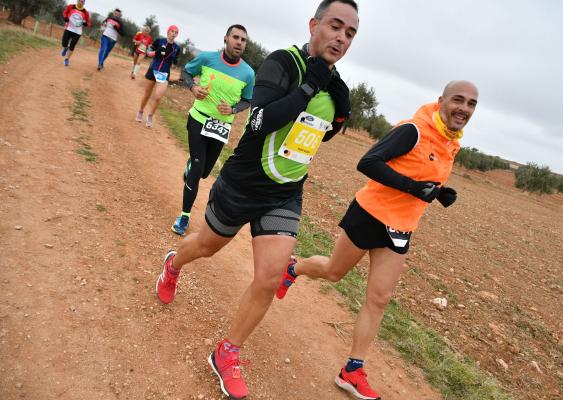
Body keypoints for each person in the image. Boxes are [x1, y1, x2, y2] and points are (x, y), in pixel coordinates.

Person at [155, 1, 358, 399]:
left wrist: (338, 112)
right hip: (243, 182)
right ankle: (173, 264)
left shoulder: (335, 86)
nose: (342, 37)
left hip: (284, 190)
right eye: (335, 26)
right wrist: (306, 88)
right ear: (314, 24)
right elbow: (261, 120)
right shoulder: (284, 63)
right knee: (206, 247)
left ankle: (226, 353)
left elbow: (319, 132)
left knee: (269, 277)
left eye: (350, 33)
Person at [275, 80, 479, 400]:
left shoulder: (451, 142)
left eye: (471, 104)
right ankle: (293, 269)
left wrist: (437, 193)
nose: (464, 109)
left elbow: (418, 173)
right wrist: (414, 188)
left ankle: (352, 370)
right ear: (441, 100)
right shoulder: (413, 129)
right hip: (369, 214)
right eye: (458, 100)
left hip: (401, 228)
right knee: (332, 272)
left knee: (379, 299)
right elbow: (368, 162)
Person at [170, 24, 255, 236]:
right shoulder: (208, 58)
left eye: (243, 40)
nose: (239, 42)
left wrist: (233, 109)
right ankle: (184, 216)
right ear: (226, 39)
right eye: (235, 37)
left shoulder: (248, 73)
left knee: (205, 172)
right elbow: (186, 72)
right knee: (198, 169)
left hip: (220, 126)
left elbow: (248, 99)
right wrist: (193, 87)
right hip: (199, 118)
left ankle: (192, 167)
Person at [135, 26, 181, 128]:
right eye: (172, 31)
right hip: (153, 69)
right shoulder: (159, 41)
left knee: (158, 97)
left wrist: (175, 62)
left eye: (176, 32)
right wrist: (157, 52)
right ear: (168, 32)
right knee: (147, 95)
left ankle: (150, 116)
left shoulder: (177, 48)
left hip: (164, 73)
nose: (174, 33)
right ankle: (141, 111)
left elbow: (175, 61)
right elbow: (148, 53)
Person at [60, 0, 90, 67]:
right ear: (77, 1)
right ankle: (65, 48)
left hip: (77, 32)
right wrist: (65, 17)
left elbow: (88, 23)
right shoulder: (71, 6)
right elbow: (65, 12)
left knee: (72, 46)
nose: (81, 3)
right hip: (69, 28)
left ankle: (67, 59)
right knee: (64, 43)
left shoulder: (85, 12)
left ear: (84, 3)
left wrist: (85, 23)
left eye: (82, 2)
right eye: (80, 1)